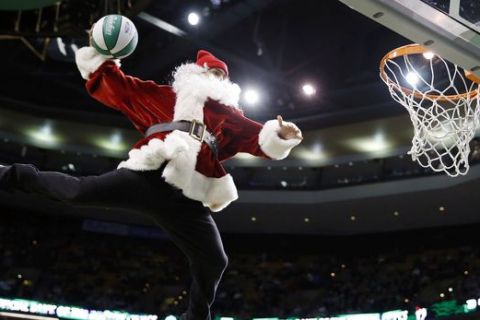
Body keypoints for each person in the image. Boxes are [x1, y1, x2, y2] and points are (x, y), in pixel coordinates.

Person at [0, 43, 302, 319]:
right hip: (147, 175)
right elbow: (118, 87)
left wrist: (282, 135)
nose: (215, 78)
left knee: (215, 260)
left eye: (221, 75)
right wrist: (101, 55)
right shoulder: (161, 96)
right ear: (194, 73)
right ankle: (9, 174)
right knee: (78, 192)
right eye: (210, 71)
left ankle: (195, 318)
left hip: (187, 198)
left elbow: (261, 139)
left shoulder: (230, 117)